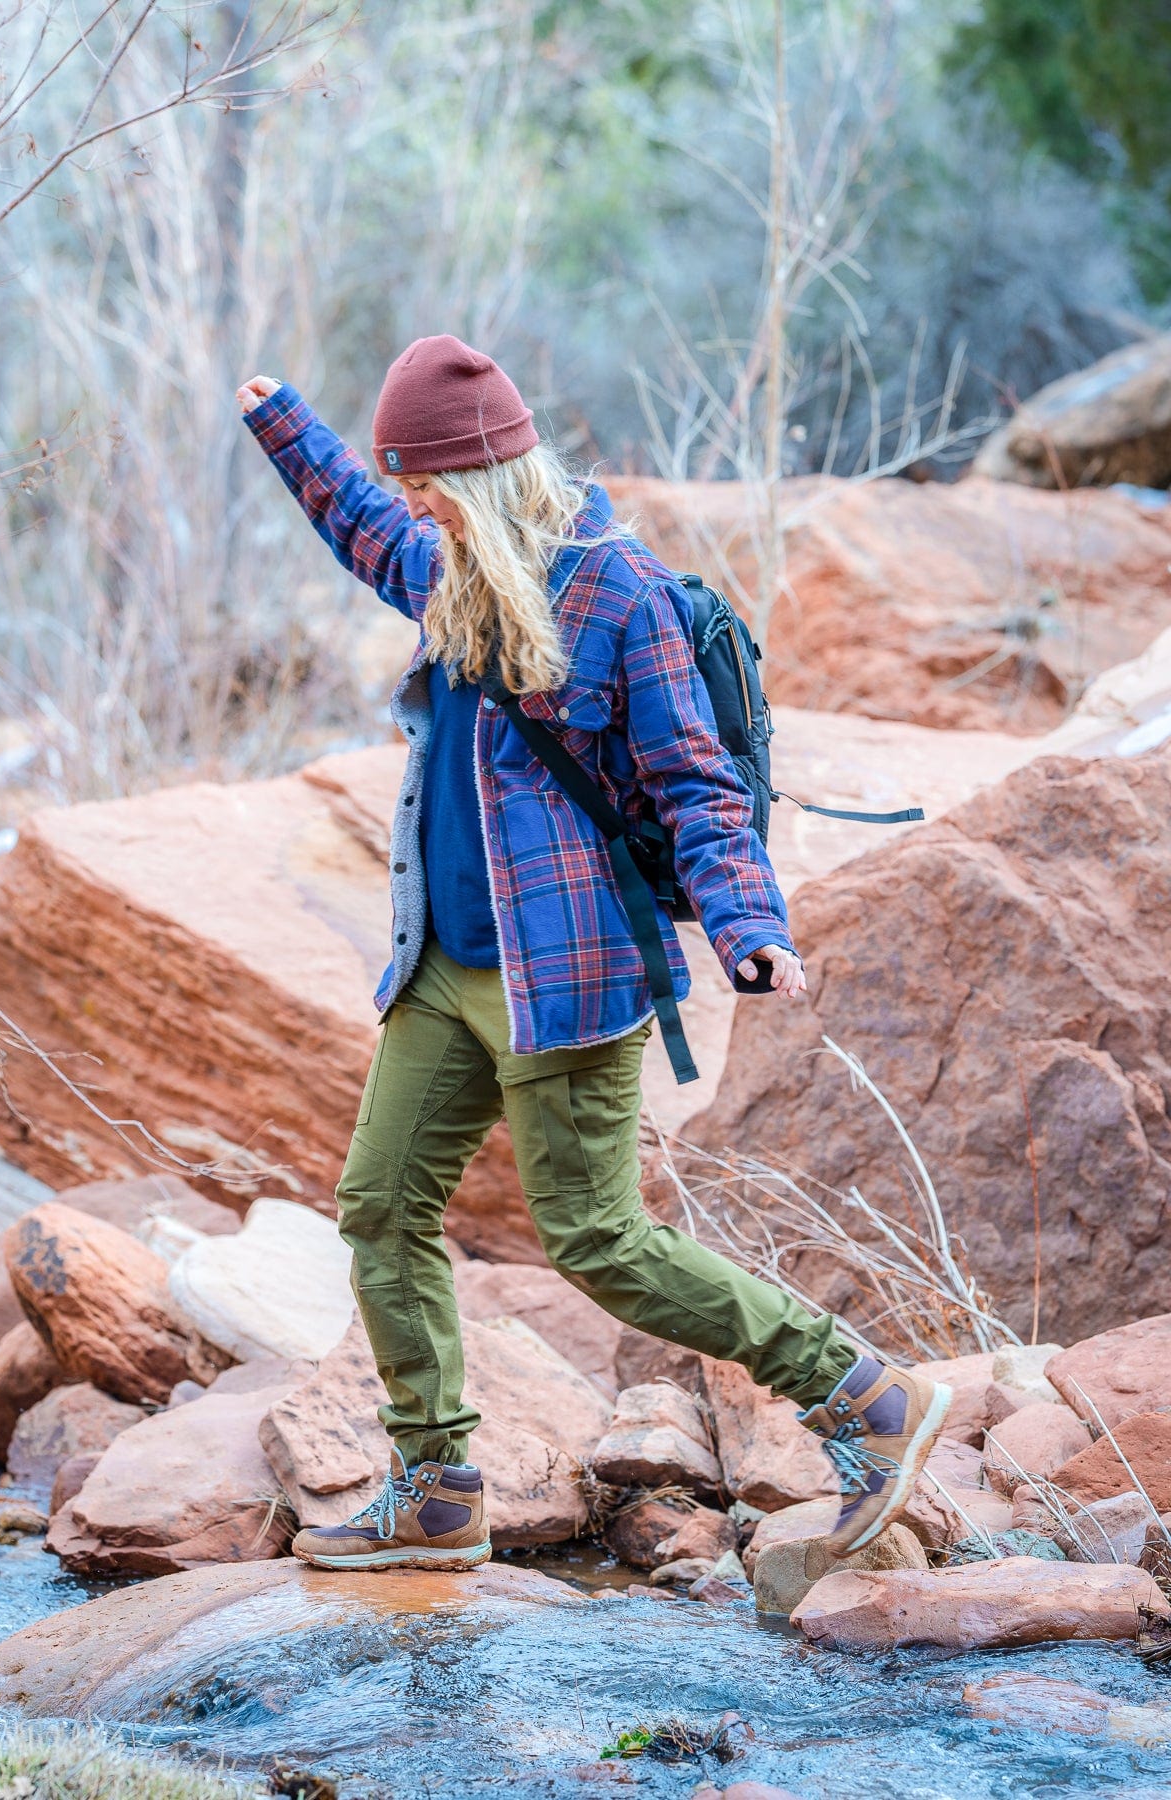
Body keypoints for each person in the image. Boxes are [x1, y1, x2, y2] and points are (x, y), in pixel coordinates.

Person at [237, 335, 950, 1574]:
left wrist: (750, 925)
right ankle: (436, 1489)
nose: (412, 511)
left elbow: (696, 783)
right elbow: (358, 524)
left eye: (427, 489)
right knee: (380, 1206)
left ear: (480, 480)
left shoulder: (620, 593)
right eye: (408, 491)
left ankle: (862, 1395)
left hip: (567, 981)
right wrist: (286, 424)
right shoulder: (449, 569)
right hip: (445, 971)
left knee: (599, 1242)